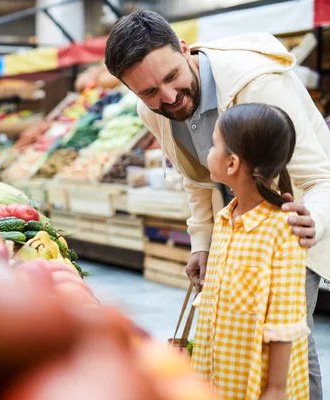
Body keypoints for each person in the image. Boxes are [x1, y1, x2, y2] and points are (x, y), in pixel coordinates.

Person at [104, 11, 330, 399]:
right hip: (233, 227)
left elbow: (320, 176)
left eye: (172, 77)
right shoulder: (152, 111)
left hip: (291, 227)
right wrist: (202, 245)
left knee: (287, 339)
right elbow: (196, 180)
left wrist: (315, 221)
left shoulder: (258, 85)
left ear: (184, 48)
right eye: (149, 92)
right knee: (234, 330)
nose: (169, 98)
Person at [191, 104, 308, 399]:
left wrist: (276, 389)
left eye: (215, 144)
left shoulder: (282, 229)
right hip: (216, 373)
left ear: (231, 163)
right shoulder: (225, 219)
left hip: (256, 384)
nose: (209, 151)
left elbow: (287, 319)